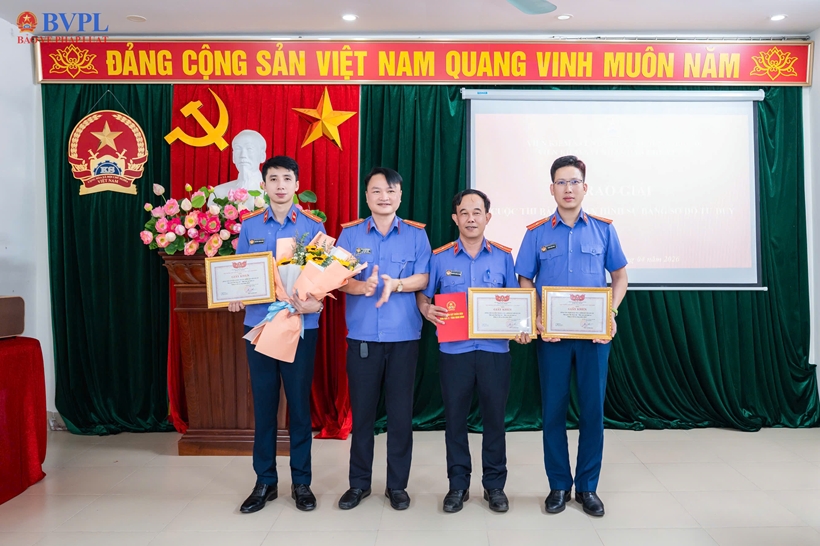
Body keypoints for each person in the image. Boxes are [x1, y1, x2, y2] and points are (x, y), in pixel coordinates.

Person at [515, 155, 628, 517]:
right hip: (553, 339)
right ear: (552, 189)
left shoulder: (603, 230)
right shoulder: (537, 233)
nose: (568, 188)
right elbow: (525, 278)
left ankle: (588, 487)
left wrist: (610, 313)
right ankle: (559, 485)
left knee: (593, 412)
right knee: (553, 412)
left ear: (585, 187)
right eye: (561, 182)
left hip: (595, 338)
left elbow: (620, 277)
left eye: (574, 182)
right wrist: (536, 316)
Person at [417, 189, 531, 514]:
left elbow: (516, 301)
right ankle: (458, 485)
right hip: (455, 353)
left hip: (495, 351)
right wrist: (426, 309)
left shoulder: (503, 257)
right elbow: (424, 296)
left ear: (487, 217)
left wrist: (522, 326)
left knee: (495, 420)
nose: (470, 218)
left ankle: (495, 486)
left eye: (477, 212)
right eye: (464, 213)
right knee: (454, 420)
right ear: (455, 218)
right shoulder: (440, 258)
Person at [228, 155, 325, 513]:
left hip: (300, 326)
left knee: (299, 407)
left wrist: (316, 302)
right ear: (264, 185)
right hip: (260, 325)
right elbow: (239, 271)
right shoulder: (250, 226)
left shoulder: (313, 226)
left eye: (287, 178)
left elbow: (322, 279)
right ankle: (265, 481)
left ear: (297, 184)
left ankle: (302, 482)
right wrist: (235, 295)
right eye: (274, 179)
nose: (280, 185)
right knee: (265, 406)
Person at [335, 167, 432, 511]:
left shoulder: (417, 235)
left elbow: (425, 277)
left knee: (400, 415)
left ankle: (397, 486)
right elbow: (336, 278)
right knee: (362, 415)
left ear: (400, 196)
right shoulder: (349, 235)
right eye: (376, 191)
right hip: (362, 338)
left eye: (391, 191)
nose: (384, 197)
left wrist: (397, 284)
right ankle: (359, 484)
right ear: (367, 196)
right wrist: (361, 286)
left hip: (403, 337)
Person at [210, 129, 267, 210]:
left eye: (249, 149)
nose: (243, 155)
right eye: (238, 149)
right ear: (233, 157)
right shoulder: (218, 193)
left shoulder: (274, 193)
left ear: (262, 156)